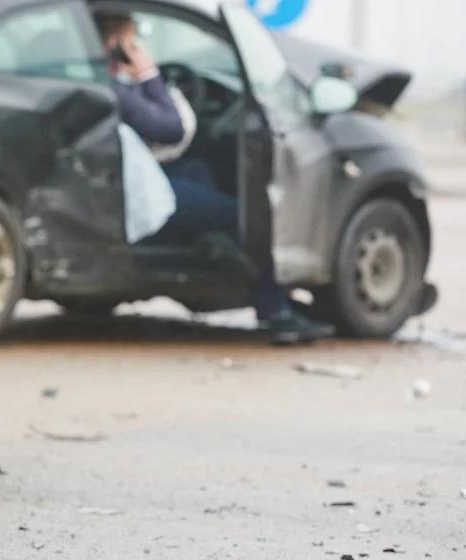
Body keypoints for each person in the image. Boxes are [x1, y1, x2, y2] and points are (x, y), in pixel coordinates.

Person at [95, 11, 335, 345]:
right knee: (243, 215)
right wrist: (149, 75)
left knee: (198, 170)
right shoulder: (112, 88)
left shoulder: (98, 82)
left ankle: (207, 250)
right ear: (114, 45)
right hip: (130, 192)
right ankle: (273, 306)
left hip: (127, 178)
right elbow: (170, 128)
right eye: (131, 43)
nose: (137, 49)